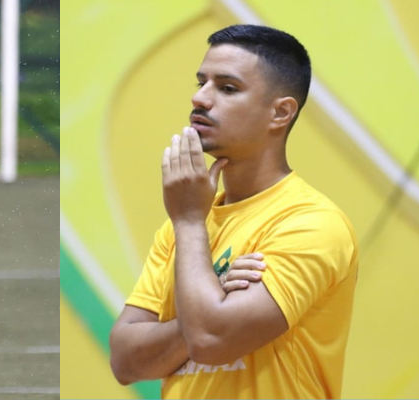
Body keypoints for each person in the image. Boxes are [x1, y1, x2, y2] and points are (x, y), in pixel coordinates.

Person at [109, 24, 358, 399]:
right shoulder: (182, 223)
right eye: (201, 83)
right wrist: (210, 303)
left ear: (280, 113)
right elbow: (126, 361)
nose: (200, 99)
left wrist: (191, 224)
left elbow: (212, 340)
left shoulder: (312, 223)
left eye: (227, 88)